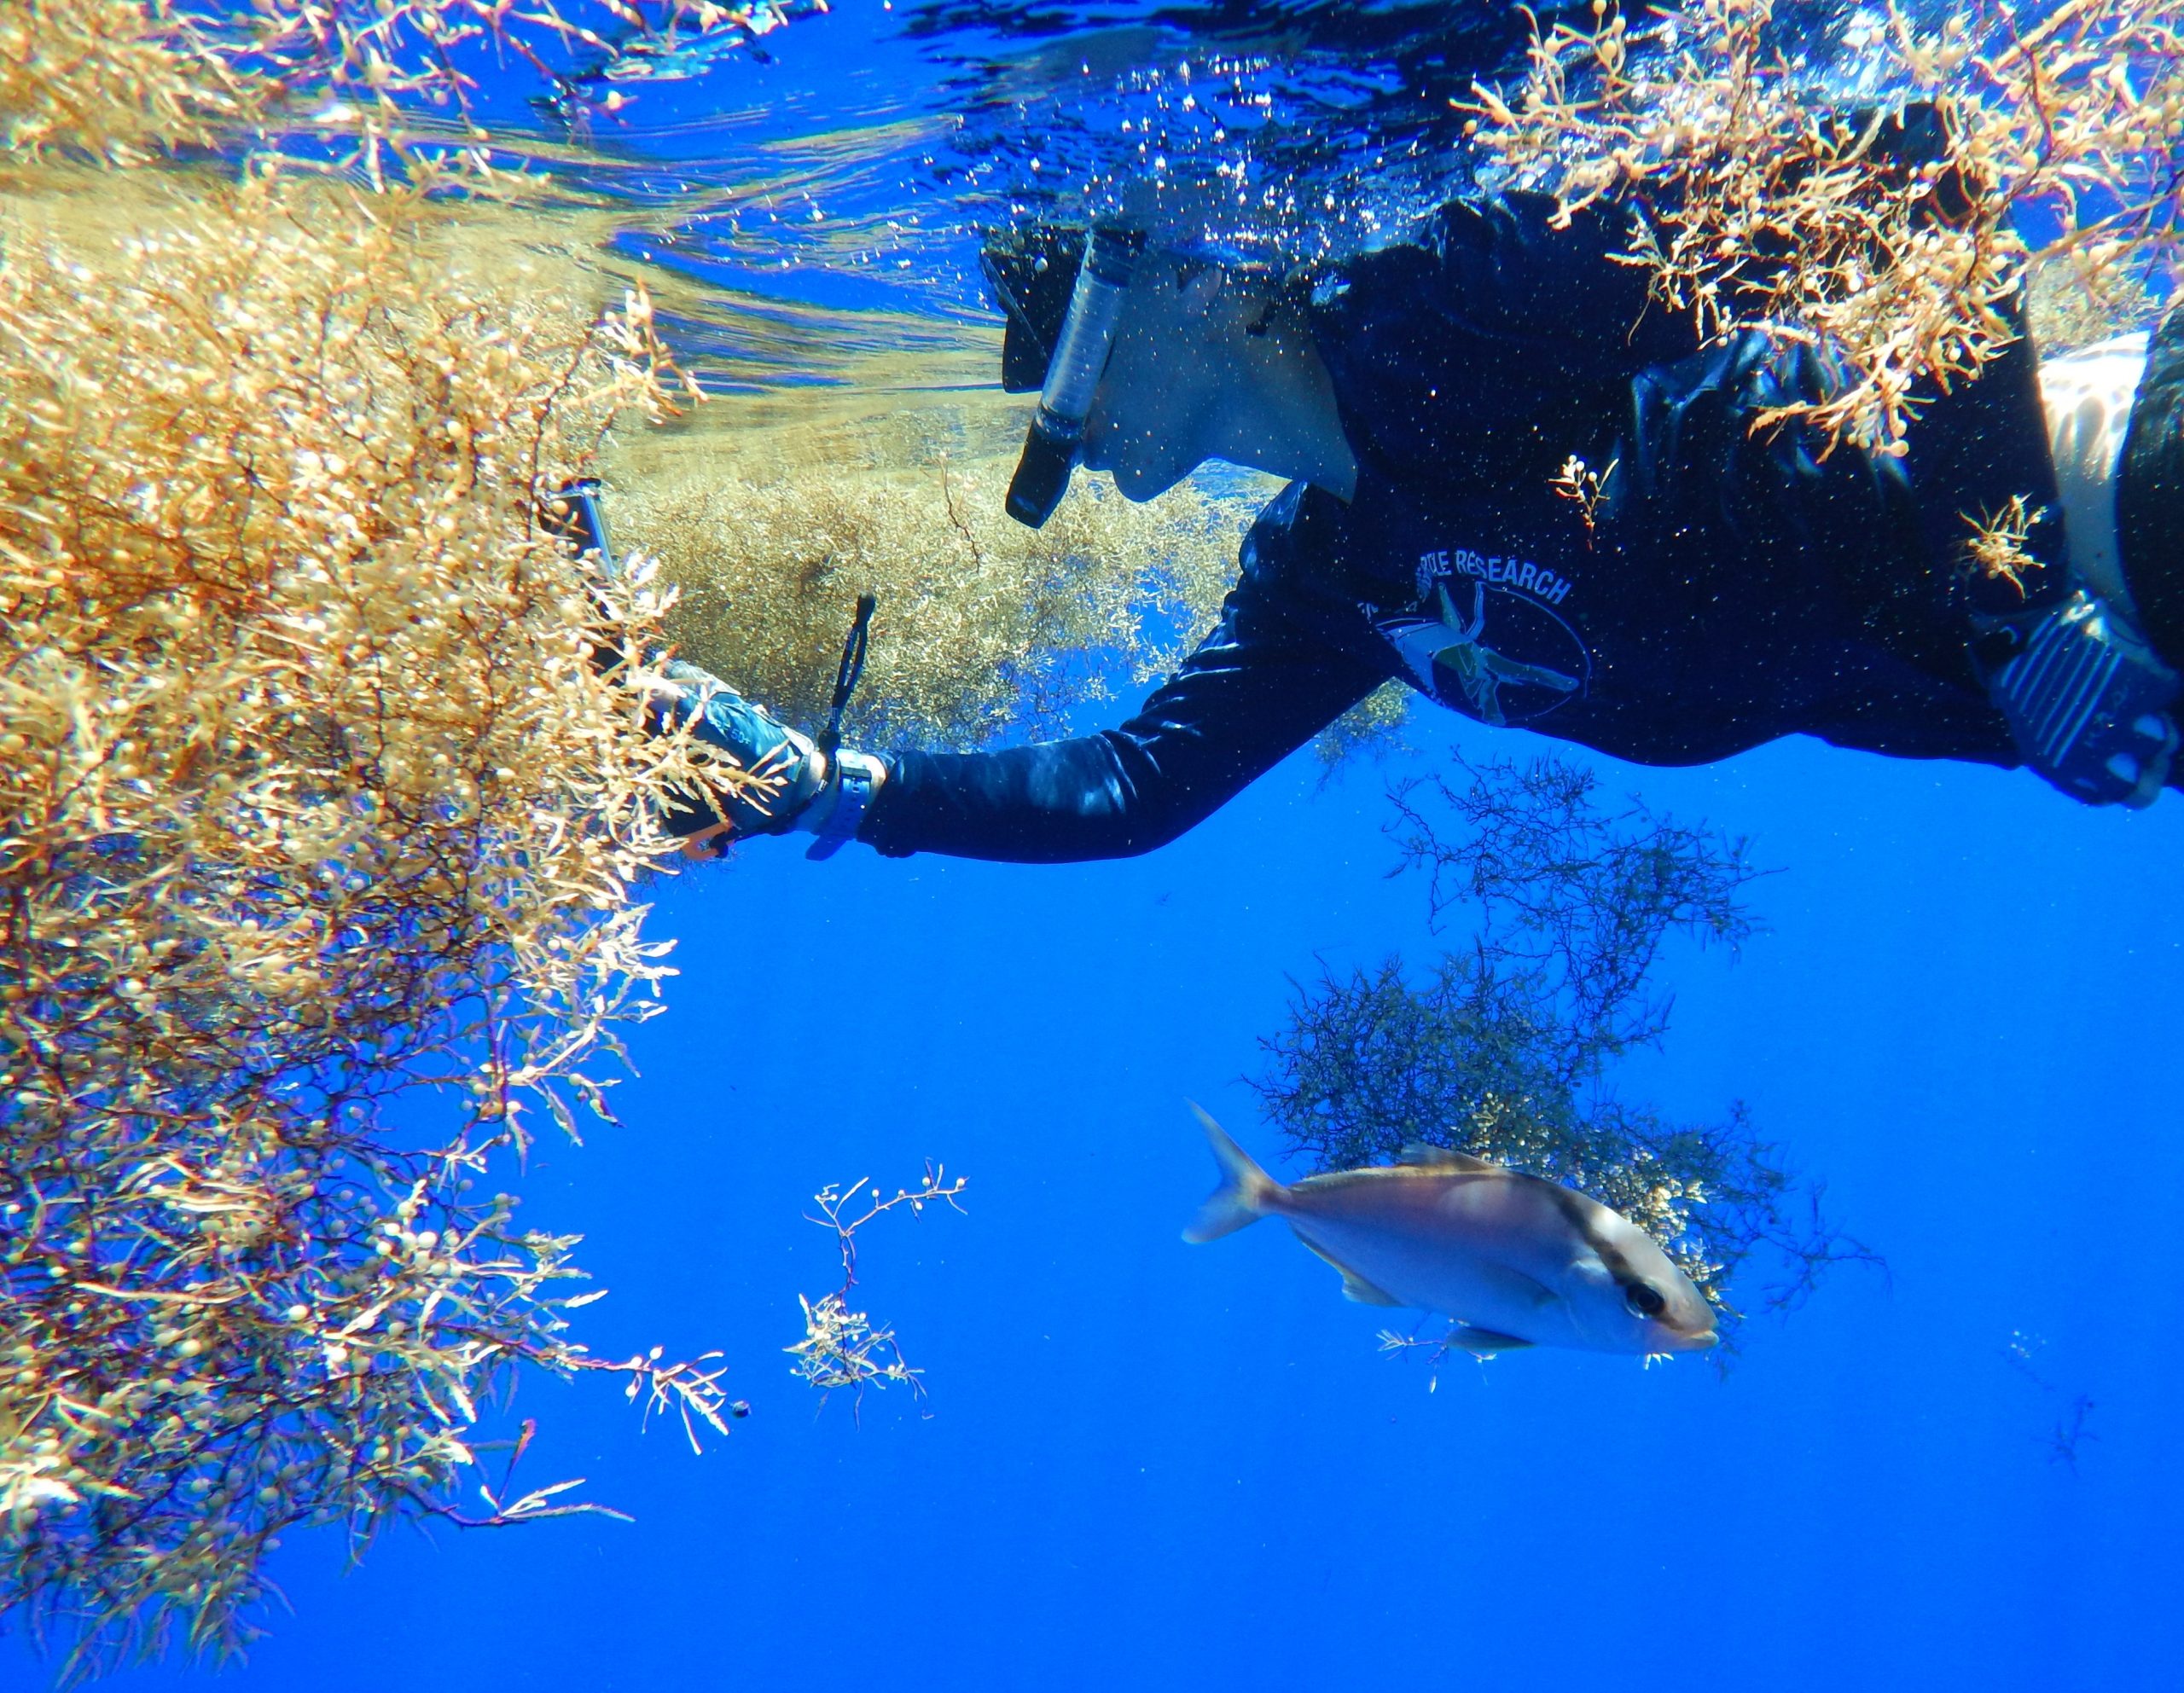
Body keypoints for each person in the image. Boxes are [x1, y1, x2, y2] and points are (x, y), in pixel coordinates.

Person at [624, 130, 2184, 863]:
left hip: (2121, 494)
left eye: (1061, 324)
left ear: (1179, 266)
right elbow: (1133, 788)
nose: (1047, 393)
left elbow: (1904, 172)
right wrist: (847, 787)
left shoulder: (1430, 309)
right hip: (2102, 690)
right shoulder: (1328, 584)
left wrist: (2016, 594)